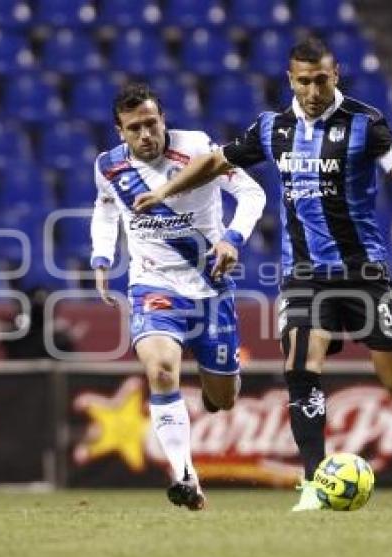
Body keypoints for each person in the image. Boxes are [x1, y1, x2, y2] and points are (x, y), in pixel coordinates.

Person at [133, 37, 392, 511]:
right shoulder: (274, 129)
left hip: (363, 270)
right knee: (298, 366)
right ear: (291, 80)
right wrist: (167, 189)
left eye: (322, 80)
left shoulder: (365, 123)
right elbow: (216, 162)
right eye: (304, 81)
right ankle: (313, 482)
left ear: (337, 76)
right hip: (304, 273)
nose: (313, 90)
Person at [91, 83, 266, 510]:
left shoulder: (199, 149)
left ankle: (214, 386)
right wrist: (101, 258)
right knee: (162, 370)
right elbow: (106, 205)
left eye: (152, 123)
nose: (146, 134)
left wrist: (232, 238)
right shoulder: (108, 167)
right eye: (135, 128)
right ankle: (185, 476)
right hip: (153, 285)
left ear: (164, 119)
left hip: (210, 287)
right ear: (120, 132)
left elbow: (252, 192)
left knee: (224, 399)